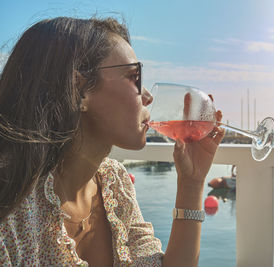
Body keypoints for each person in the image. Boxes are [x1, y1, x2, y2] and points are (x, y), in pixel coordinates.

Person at [0, 17, 224, 266]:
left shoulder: (113, 183)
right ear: (79, 90)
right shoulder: (13, 211)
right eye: (133, 77)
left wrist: (192, 184)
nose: (148, 96)